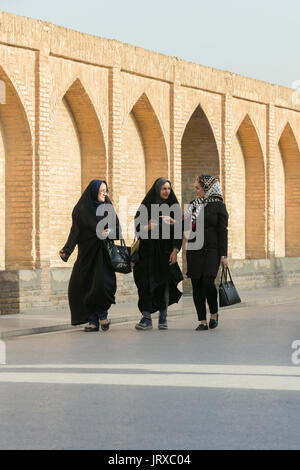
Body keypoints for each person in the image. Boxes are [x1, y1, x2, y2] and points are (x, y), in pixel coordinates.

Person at [59, 179, 120, 332]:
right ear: (93, 192)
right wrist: (67, 250)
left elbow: (117, 229)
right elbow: (75, 232)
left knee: (101, 285)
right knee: (85, 286)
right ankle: (93, 321)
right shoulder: (81, 209)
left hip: (103, 254)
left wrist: (109, 232)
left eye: (106, 190)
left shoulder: (108, 208)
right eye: (101, 191)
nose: (105, 193)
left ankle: (103, 316)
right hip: (86, 255)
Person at [133, 177, 183, 330]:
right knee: (145, 284)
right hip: (146, 253)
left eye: (168, 188)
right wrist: (148, 226)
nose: (167, 191)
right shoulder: (147, 205)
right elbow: (137, 228)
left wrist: (175, 250)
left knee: (163, 285)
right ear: (157, 189)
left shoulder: (174, 206)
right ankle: (146, 317)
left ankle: (163, 317)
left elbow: (179, 231)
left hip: (165, 252)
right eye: (164, 189)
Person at [185, 174, 228, 331]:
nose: (195, 190)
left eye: (198, 188)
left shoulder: (219, 207)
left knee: (207, 282)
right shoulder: (193, 205)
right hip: (194, 250)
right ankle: (202, 320)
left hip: (212, 250)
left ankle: (214, 313)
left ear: (207, 189)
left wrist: (224, 255)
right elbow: (185, 226)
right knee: (196, 285)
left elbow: (223, 232)